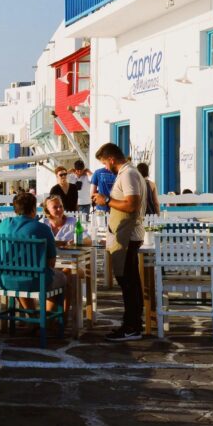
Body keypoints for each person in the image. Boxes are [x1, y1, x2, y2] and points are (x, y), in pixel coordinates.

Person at [93, 142, 146, 341]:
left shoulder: (128, 174)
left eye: (105, 163)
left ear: (112, 159)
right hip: (127, 235)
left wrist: (105, 200)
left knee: (128, 282)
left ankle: (131, 326)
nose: (105, 167)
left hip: (127, 236)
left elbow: (132, 205)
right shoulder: (130, 173)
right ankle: (132, 323)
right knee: (130, 281)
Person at [0, 190, 67, 312]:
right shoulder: (42, 228)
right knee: (64, 279)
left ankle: (33, 319)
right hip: (35, 282)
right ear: (33, 209)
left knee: (21, 277)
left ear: (15, 209)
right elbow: (51, 263)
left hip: (4, 280)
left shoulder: (3, 225)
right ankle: (48, 319)